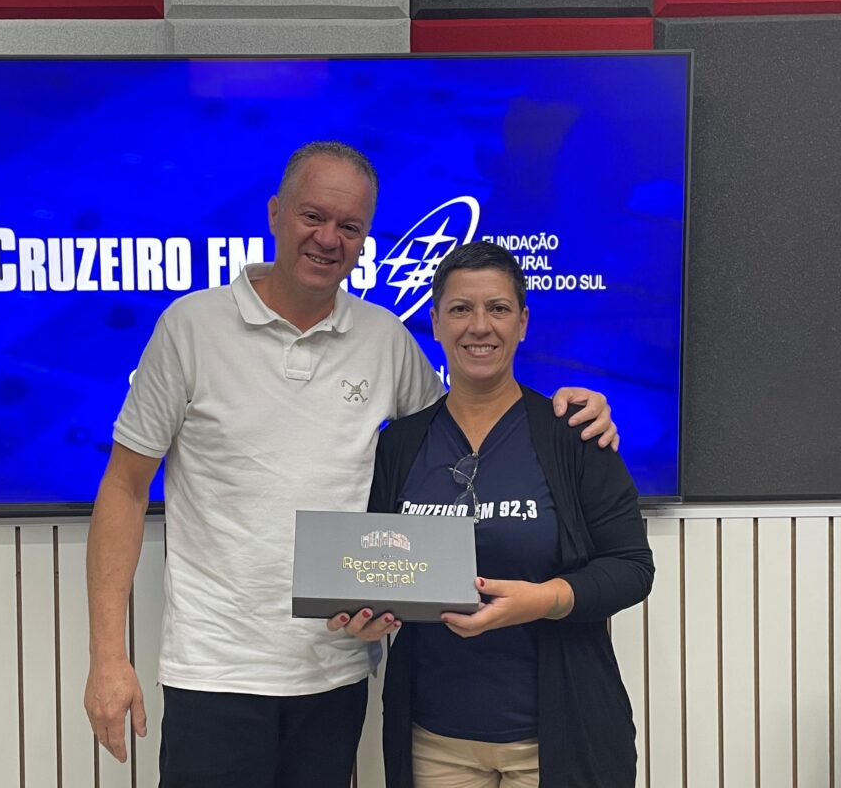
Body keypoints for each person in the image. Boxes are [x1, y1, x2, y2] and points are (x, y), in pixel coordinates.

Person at [83, 142, 619, 788]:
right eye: (313, 216)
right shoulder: (190, 327)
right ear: (275, 213)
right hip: (215, 670)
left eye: (350, 226)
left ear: (365, 240)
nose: (328, 238)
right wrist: (107, 657)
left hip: (334, 673)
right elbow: (124, 487)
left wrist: (567, 407)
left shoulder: (384, 338)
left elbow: (470, 424)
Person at [347, 240, 654, 788]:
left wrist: (545, 599)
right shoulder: (401, 445)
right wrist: (365, 615)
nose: (479, 326)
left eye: (498, 308)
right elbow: (377, 570)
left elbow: (632, 567)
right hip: (434, 742)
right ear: (435, 322)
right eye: (460, 309)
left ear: (523, 323)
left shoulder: (574, 434)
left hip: (555, 739)